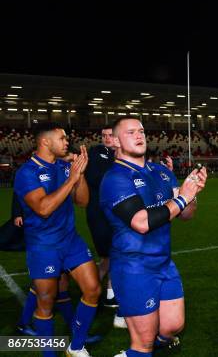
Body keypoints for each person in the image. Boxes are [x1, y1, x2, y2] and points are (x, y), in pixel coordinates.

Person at [99, 116, 206, 357]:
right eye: (130, 132)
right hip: (133, 266)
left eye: (141, 131)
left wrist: (192, 193)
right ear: (115, 140)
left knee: (173, 326)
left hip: (163, 262)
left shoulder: (160, 172)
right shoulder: (115, 178)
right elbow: (141, 222)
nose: (139, 135)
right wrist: (180, 198)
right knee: (143, 343)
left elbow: (186, 214)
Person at [14, 122, 101, 357]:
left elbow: (82, 201)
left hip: (70, 239)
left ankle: (76, 346)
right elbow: (43, 208)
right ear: (45, 142)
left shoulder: (65, 166)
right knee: (46, 301)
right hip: (43, 245)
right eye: (62, 138)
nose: (67, 142)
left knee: (93, 288)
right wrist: (71, 180)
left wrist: (79, 175)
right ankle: (48, 353)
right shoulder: (27, 173)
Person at [84, 125, 129, 330]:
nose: (106, 139)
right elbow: (97, 178)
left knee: (110, 255)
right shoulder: (96, 154)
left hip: (116, 212)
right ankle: (101, 291)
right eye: (103, 135)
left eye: (110, 135)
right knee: (112, 253)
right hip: (99, 213)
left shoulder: (119, 155)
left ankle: (105, 293)